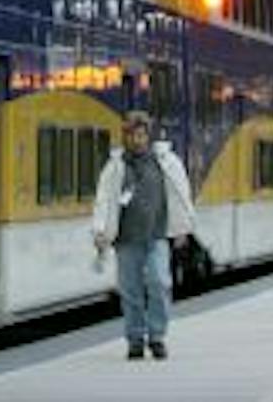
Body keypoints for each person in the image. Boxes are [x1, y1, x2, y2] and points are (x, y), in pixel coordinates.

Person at [90, 110, 195, 360]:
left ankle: (157, 336)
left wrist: (182, 229)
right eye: (132, 135)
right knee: (131, 291)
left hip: (156, 235)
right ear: (125, 137)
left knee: (160, 283)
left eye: (141, 135)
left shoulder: (165, 162)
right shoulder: (115, 167)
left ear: (148, 136)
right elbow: (103, 200)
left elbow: (181, 193)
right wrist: (100, 231)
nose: (137, 140)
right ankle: (135, 339)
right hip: (126, 240)